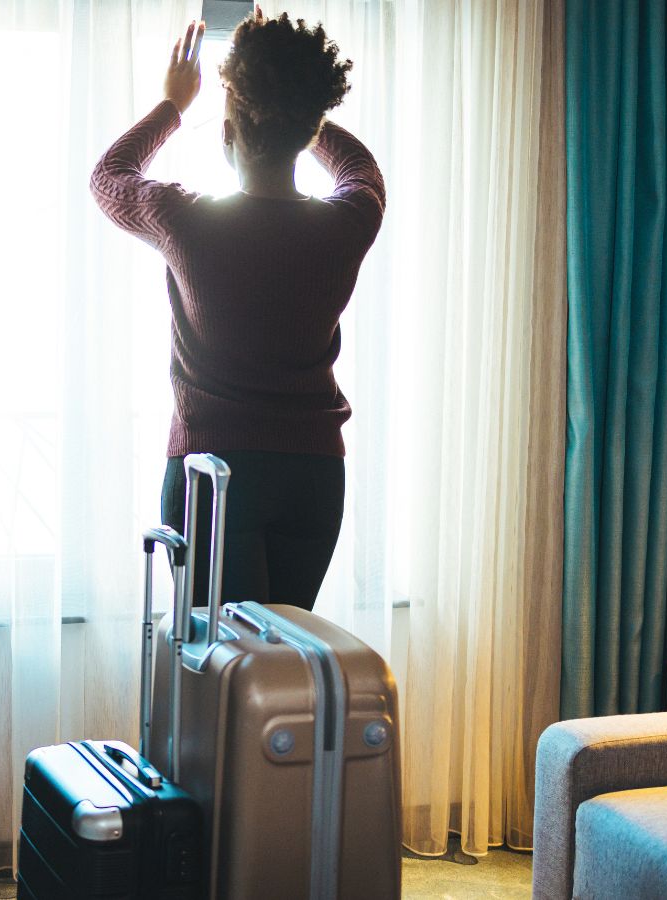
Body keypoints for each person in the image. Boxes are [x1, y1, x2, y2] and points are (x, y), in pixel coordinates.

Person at [91, 8, 384, 611]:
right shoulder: (349, 221)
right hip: (313, 476)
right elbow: (361, 170)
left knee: (219, 675)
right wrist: (294, 103)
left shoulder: (188, 221)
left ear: (226, 137)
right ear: (307, 133)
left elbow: (109, 176)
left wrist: (174, 104)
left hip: (215, 473)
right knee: (282, 666)